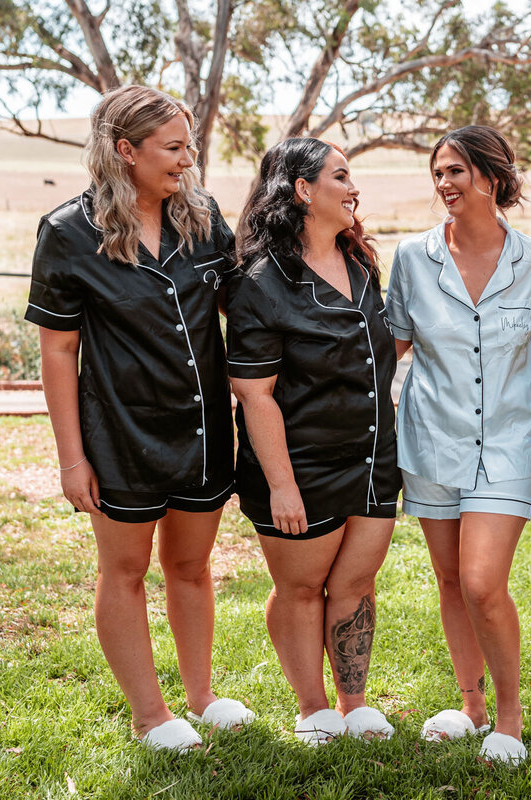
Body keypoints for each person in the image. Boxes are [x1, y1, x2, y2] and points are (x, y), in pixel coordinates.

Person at [26, 85, 253, 752]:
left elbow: (246, 313)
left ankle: (201, 697)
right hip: (118, 434)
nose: (187, 160)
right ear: (125, 151)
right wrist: (72, 458)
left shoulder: (204, 220)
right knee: (123, 572)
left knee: (192, 567)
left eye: (190, 147)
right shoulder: (67, 233)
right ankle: (150, 716)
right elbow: (58, 350)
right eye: (173, 147)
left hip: (204, 429)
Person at [225, 138, 400, 746]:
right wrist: (281, 484)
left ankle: (354, 705)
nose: (354, 189)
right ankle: (312, 709)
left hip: (375, 457)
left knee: (355, 583)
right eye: (341, 176)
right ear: (302, 190)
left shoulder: (360, 264)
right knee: (300, 589)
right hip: (299, 466)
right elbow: (256, 394)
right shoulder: (261, 282)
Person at [385, 125, 531, 765]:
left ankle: (509, 719)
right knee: (451, 581)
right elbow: (391, 349)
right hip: (430, 442)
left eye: (456, 170)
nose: (444, 183)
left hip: (506, 443)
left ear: (492, 177)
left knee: (483, 582)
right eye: (438, 173)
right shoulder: (412, 258)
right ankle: (471, 702)